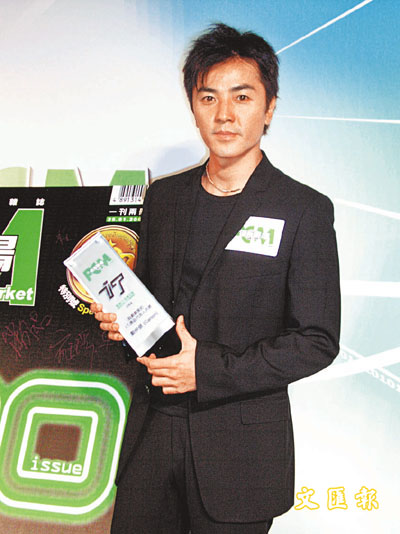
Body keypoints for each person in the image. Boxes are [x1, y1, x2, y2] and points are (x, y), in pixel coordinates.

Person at [92, 23, 340, 534]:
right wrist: (125, 323)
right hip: (150, 440)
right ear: (193, 106)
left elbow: (316, 340)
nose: (224, 114)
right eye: (209, 97)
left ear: (269, 108)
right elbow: (156, 310)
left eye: (241, 97)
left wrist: (205, 369)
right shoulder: (165, 197)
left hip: (240, 455)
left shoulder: (303, 209)